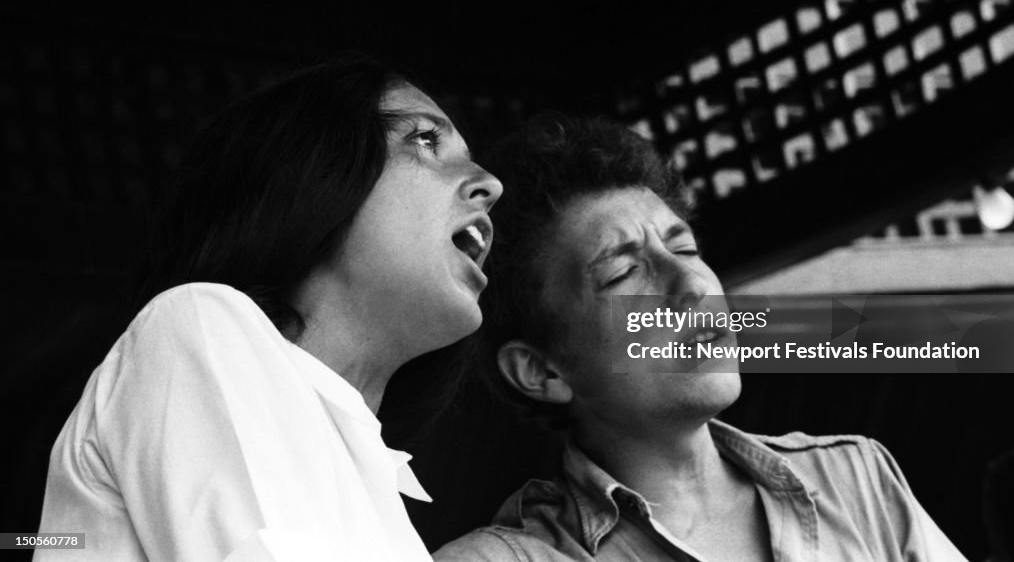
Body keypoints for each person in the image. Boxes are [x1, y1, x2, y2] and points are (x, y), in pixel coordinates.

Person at [433, 115, 965, 561]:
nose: (691, 285)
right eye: (623, 275)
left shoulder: (857, 478)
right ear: (542, 371)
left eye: (684, 248)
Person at [36, 56, 502, 561]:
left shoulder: (379, 493)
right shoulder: (201, 323)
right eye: (426, 141)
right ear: (314, 174)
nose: (490, 185)